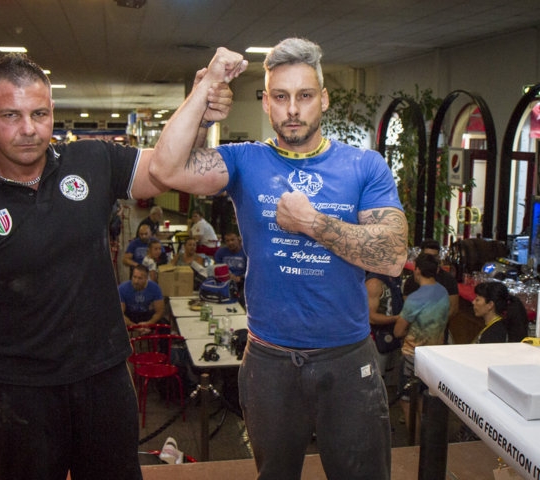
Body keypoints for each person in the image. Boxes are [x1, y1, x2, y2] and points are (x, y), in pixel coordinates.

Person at [0, 49, 245, 480]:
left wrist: (199, 114)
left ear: (52, 111)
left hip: (104, 378)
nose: (29, 129)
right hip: (19, 394)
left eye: (39, 114)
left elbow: (167, 169)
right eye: (11, 115)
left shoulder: (92, 160)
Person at [148, 37, 407, 480]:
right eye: (281, 97)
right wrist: (203, 97)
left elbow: (394, 255)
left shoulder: (364, 166)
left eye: (304, 96)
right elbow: (164, 169)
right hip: (269, 361)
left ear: (323, 99)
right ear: (266, 102)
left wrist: (314, 223)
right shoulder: (245, 160)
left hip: (346, 358)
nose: (293, 109)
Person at [394, 253, 450, 434]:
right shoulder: (443, 292)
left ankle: (416, 443)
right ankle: (428, 439)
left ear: (417, 270)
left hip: (413, 356)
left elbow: (398, 331)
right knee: (425, 401)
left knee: (407, 401)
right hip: (434, 354)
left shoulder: (415, 298)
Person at [403, 239, 459, 322]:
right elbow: (408, 310)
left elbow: (453, 309)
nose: (431, 260)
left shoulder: (449, 280)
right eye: (428, 256)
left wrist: (435, 324)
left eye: (434, 257)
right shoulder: (411, 281)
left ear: (438, 257)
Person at [366, 272, 404, 376]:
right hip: (378, 337)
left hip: (395, 334)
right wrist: (397, 318)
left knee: (392, 374)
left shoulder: (395, 279)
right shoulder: (374, 282)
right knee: (378, 375)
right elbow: (371, 317)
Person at [214, 232, 247, 306]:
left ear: (238, 240)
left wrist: (240, 278)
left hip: (242, 282)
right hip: (225, 281)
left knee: (241, 298)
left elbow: (252, 271)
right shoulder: (220, 252)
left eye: (232, 240)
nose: (230, 243)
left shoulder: (246, 252)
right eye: (227, 241)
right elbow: (217, 267)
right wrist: (228, 275)